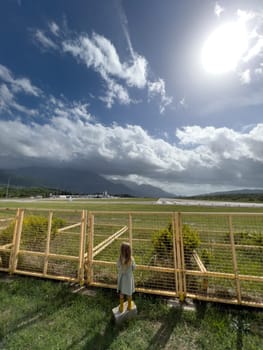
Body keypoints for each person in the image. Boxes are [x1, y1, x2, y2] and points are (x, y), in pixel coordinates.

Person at [117, 242, 136, 312]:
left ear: (121, 250)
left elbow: (118, 266)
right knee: (129, 293)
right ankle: (129, 306)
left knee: (121, 293)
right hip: (129, 279)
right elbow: (134, 268)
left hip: (122, 278)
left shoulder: (120, 259)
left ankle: (121, 307)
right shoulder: (131, 259)